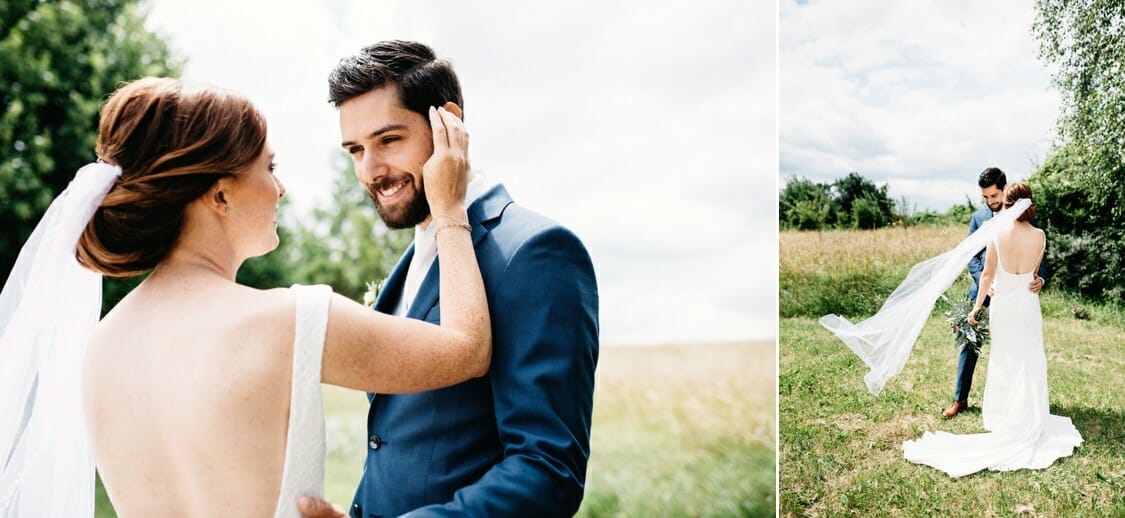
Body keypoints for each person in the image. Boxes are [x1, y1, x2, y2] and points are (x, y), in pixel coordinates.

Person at [0, 77, 489, 517]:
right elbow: (468, 350)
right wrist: (448, 205)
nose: (281, 188)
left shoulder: (100, 347)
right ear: (220, 195)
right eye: (269, 166)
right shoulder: (289, 320)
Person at [298, 41, 600, 518]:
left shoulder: (535, 251)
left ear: (448, 125)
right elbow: (402, 441)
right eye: (355, 150)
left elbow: (546, 472)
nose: (369, 171)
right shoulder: (416, 255)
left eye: (388, 140)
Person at [903, 182, 1082, 477]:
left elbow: (987, 274)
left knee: (1005, 358)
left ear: (1008, 204)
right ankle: (1030, 416)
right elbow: (1035, 275)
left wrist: (976, 309)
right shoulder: (1040, 235)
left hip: (1004, 305)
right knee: (1029, 356)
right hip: (1027, 305)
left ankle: (1003, 416)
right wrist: (1037, 281)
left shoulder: (998, 233)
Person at [943, 167, 1046, 419]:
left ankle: (1017, 403)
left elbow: (1037, 254)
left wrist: (1041, 278)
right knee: (970, 344)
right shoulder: (979, 218)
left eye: (994, 196)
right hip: (985, 288)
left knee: (1016, 346)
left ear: (1004, 190)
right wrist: (984, 282)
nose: (991, 202)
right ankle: (960, 398)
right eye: (986, 197)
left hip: (1015, 291)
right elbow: (972, 257)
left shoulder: (1024, 217)